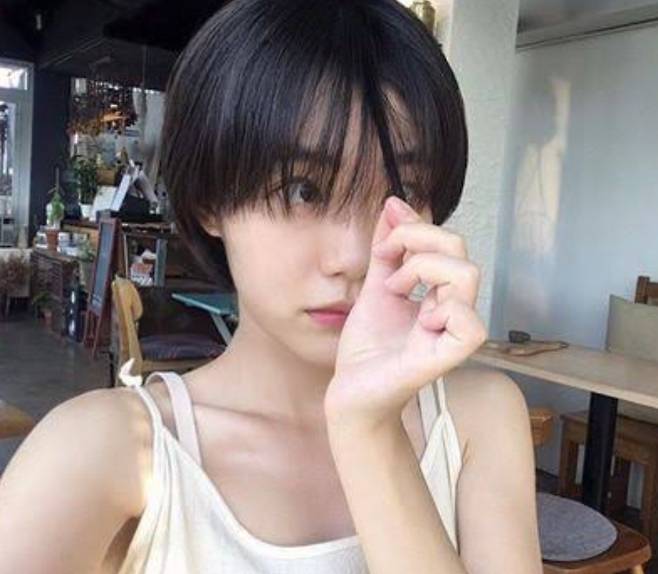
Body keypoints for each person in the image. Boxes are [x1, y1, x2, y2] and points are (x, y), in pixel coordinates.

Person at [0, 0, 543, 572]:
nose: (353, 257)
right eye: (303, 190)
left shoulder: (478, 419)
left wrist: (370, 433)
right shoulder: (104, 451)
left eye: (400, 194)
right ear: (210, 200)